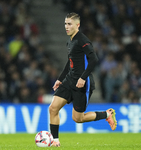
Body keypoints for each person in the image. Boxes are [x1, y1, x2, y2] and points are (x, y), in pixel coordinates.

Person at [49, 12, 117, 147]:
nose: (66, 27)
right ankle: (55, 141)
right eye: (65, 24)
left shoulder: (83, 40)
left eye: (69, 24)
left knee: (78, 119)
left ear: (77, 25)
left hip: (82, 83)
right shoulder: (70, 41)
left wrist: (83, 77)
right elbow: (70, 62)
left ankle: (106, 114)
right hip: (69, 80)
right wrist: (60, 79)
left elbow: (94, 60)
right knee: (53, 108)